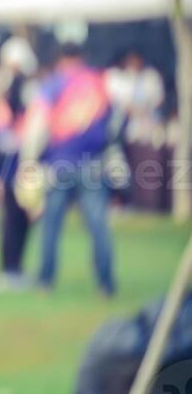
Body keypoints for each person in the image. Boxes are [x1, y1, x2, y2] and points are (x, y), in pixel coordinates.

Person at [28, 43, 117, 298]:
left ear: (61, 59)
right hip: (92, 163)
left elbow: (38, 124)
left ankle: (45, 281)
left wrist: (32, 160)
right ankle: (105, 283)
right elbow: (112, 123)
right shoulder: (99, 83)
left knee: (51, 225)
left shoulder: (54, 84)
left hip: (59, 163)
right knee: (98, 224)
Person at [0, 44, 39, 292]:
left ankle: (13, 268)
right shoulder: (13, 92)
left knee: (18, 218)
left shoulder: (16, 91)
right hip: (15, 162)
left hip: (18, 161)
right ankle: (10, 269)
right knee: (14, 219)